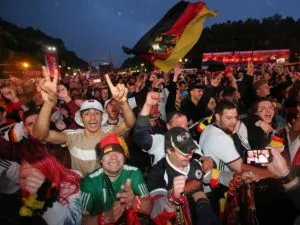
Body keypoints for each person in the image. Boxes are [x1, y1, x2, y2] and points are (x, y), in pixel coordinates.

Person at [32, 71, 136, 176]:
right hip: (81, 189)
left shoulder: (109, 132)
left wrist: (123, 103)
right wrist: (48, 104)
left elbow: (129, 123)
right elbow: (40, 135)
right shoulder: (71, 136)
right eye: (87, 113)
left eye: (96, 113)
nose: (92, 117)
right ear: (81, 119)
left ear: (102, 117)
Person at [147, 127, 219, 225]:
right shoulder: (157, 173)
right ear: (169, 150)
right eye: (184, 152)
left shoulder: (195, 160)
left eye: (191, 150)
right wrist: (172, 196)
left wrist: (233, 176)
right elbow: (155, 211)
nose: (190, 155)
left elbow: (214, 175)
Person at [80, 133, 152, 225]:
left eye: (118, 152)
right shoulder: (90, 182)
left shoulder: (134, 173)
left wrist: (134, 201)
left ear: (124, 157)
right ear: (101, 159)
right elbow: (79, 220)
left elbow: (150, 208)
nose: (113, 157)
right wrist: (104, 218)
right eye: (108, 153)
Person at [19, 143, 81, 225]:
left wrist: (45, 199)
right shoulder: (28, 190)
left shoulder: (68, 186)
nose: (24, 183)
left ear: (48, 176)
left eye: (32, 179)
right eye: (21, 177)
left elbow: (74, 223)